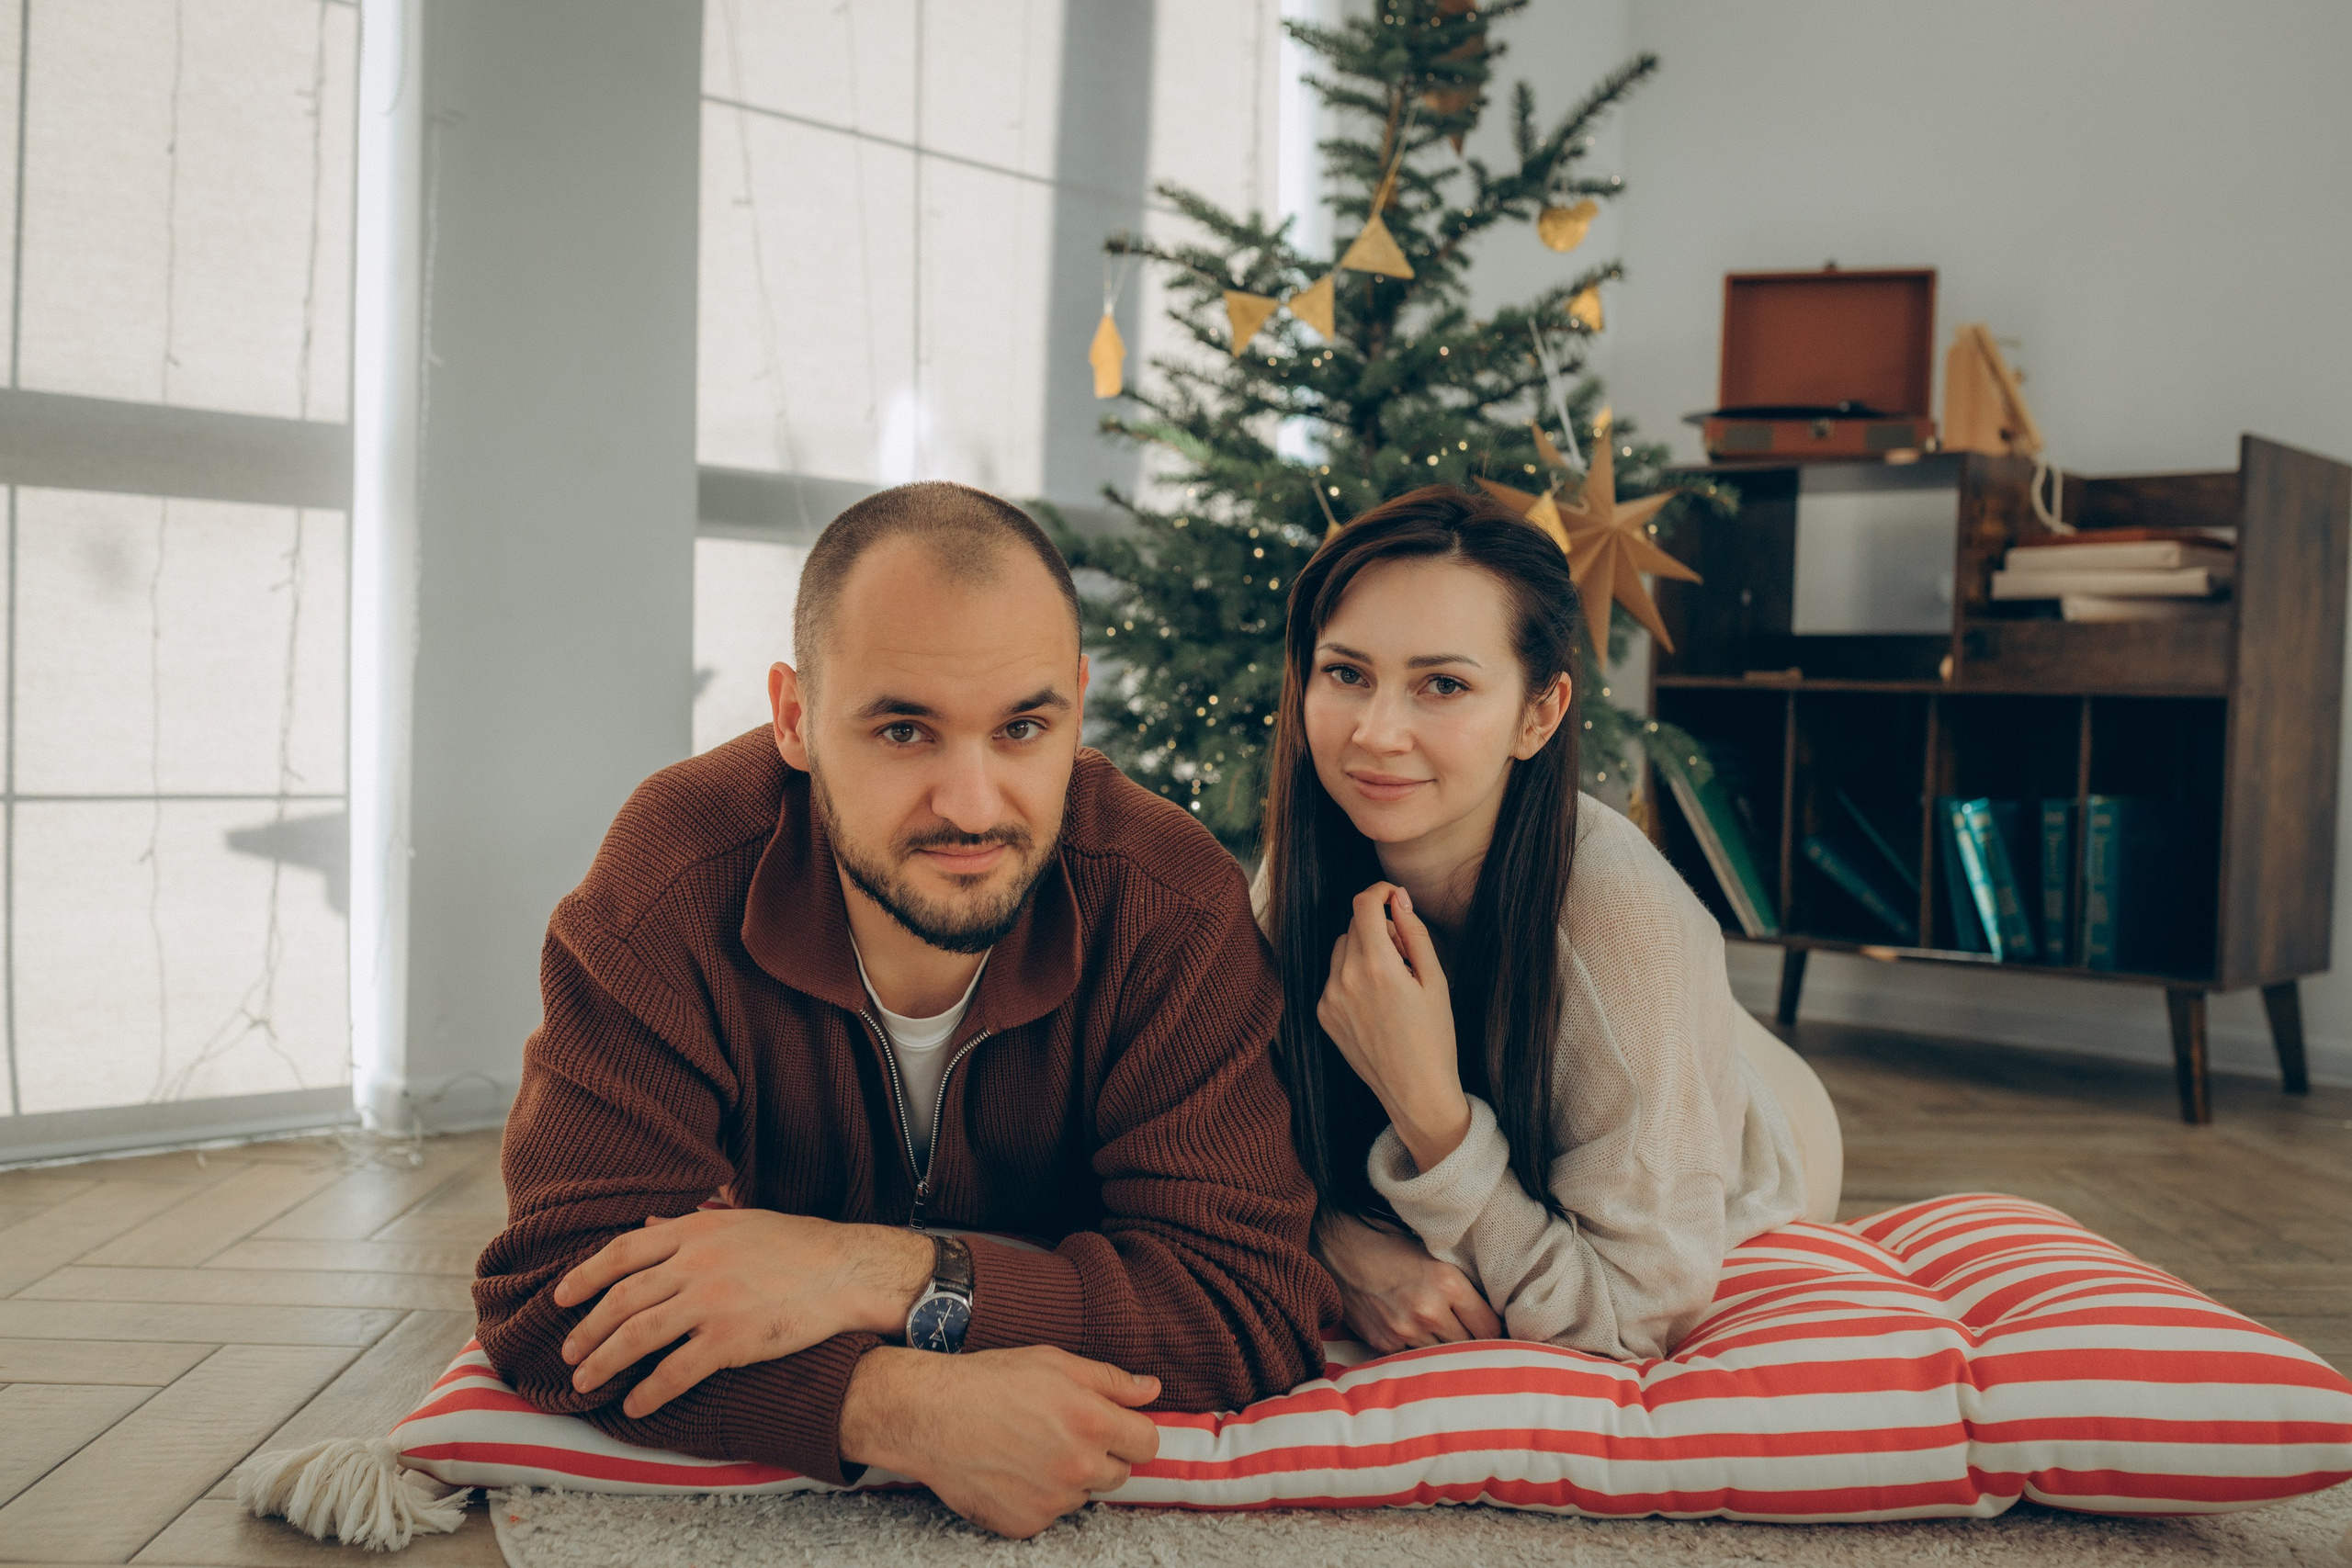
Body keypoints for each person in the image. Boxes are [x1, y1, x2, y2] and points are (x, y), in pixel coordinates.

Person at [473, 481, 1338, 1540]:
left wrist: (866, 1270)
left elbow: (1245, 1306)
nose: (972, 804)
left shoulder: (1166, 903)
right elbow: (551, 1295)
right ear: (795, 718)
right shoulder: (675, 877)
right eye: (902, 732)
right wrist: (893, 1406)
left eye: (1023, 726)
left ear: (1077, 704)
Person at [1255, 485, 1844, 1359]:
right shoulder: (1301, 867)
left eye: (1442, 684)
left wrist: (1433, 1115)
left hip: (1755, 1128)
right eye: (1346, 673)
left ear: (1539, 714)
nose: (1376, 733)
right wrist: (1336, 1244)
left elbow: (1631, 1315)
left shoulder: (1623, 923)